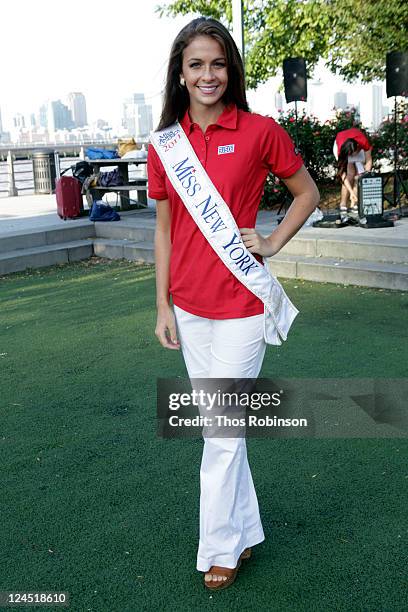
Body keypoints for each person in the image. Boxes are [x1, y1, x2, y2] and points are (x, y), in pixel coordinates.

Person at [147, 17, 320, 590]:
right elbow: (165, 231)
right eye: (195, 64)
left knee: (220, 433)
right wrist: (162, 305)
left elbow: (307, 192)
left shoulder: (259, 131)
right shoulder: (165, 144)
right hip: (190, 307)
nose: (207, 74)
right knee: (223, 431)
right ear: (180, 72)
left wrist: (270, 242)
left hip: (244, 303)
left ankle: (218, 548)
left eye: (217, 63)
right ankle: (243, 534)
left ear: (231, 70)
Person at [333, 127, 373, 224]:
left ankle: (355, 205)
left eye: (353, 154)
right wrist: (351, 192)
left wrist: (363, 177)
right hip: (342, 144)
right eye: (350, 155)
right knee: (349, 175)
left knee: (358, 177)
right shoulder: (340, 150)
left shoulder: (363, 142)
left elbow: (368, 160)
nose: (352, 157)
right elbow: (343, 175)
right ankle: (343, 206)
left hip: (357, 146)